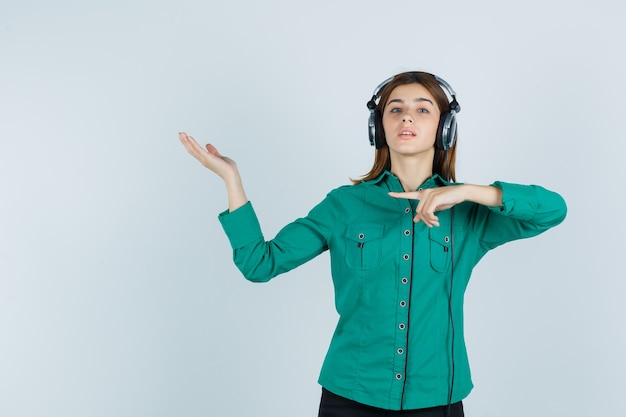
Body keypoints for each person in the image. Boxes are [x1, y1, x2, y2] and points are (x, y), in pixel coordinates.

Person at [178, 71, 567, 417]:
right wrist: (231, 179)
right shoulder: (343, 206)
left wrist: (470, 191)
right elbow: (259, 264)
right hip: (349, 396)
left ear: (444, 128)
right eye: (394, 109)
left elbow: (553, 210)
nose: (407, 117)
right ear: (378, 127)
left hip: (437, 399)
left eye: (422, 109)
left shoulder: (469, 213)